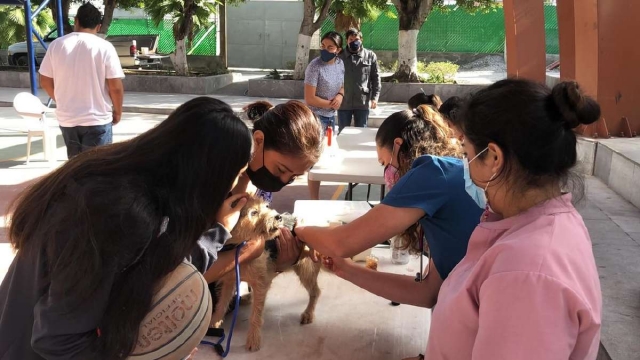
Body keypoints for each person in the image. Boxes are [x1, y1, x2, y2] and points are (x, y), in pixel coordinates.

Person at [0, 97, 253, 359]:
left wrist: (218, 231)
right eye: (236, 174)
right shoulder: (119, 215)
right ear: (208, 176)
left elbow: (155, 268)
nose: (234, 186)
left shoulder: (124, 176)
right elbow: (60, 342)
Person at [420, 79, 602, 359]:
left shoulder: (527, 272)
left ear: (493, 156)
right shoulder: (547, 222)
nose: (465, 166)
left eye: (467, 154)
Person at [295, 106, 483, 311]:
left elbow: (341, 243)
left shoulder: (432, 172)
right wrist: (346, 270)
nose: (387, 175)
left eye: (385, 163)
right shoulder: (448, 176)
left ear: (398, 146)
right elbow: (428, 293)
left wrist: (300, 231)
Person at [39, 2, 124, 159]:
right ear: (98, 26)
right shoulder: (105, 47)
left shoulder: (57, 45)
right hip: (97, 119)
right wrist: (118, 111)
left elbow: (44, 81)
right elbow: (115, 87)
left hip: (67, 119)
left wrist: (62, 99)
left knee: (74, 169)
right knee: (97, 171)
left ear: (76, 21)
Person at [304, 31, 345, 200]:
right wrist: (330, 104)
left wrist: (340, 96)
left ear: (338, 50)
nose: (325, 50)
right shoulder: (314, 66)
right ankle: (314, 199)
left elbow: (343, 85)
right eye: (323, 46)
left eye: (330, 47)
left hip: (330, 118)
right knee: (315, 160)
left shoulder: (340, 64)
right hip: (316, 118)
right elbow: (310, 98)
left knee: (327, 155)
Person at [337, 28, 381, 133]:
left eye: (356, 39)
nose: (353, 41)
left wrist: (375, 98)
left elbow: (376, 78)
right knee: (343, 132)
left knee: (362, 132)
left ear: (361, 39)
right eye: (350, 39)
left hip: (362, 101)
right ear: (347, 40)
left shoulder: (370, 56)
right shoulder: (339, 56)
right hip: (344, 102)